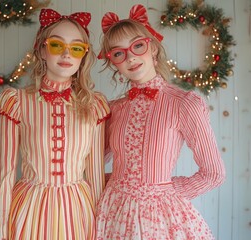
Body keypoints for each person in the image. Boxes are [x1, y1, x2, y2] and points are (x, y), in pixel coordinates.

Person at [96, 4, 226, 240]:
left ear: (152, 48)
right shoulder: (114, 108)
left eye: (137, 46)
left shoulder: (184, 103)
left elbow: (214, 173)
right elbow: (94, 161)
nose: (131, 57)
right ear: (113, 63)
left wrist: (166, 190)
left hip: (159, 217)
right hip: (113, 212)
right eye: (118, 53)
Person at [0, 8, 110, 240]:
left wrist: (100, 231)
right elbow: (5, 175)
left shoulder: (94, 104)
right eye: (56, 45)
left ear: (83, 56)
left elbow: (95, 176)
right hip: (29, 208)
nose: (66, 54)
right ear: (42, 50)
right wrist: (1, 232)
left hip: (78, 212)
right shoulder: (17, 102)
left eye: (76, 48)